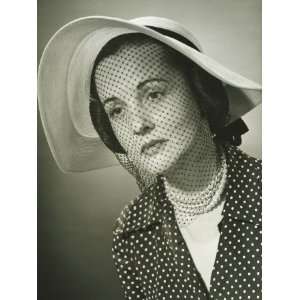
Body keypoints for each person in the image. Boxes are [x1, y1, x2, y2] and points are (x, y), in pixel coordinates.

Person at [38, 16, 261, 300]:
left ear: (201, 95)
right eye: (117, 110)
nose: (137, 124)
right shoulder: (131, 231)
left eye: (154, 94)